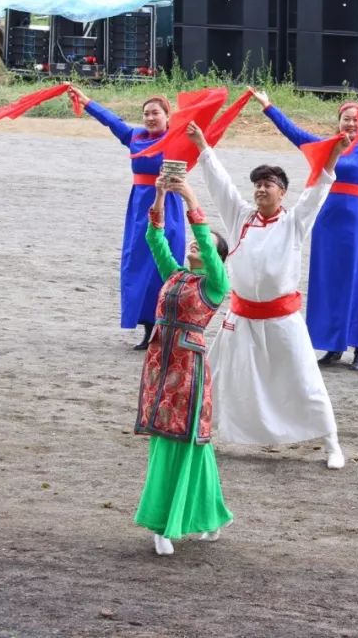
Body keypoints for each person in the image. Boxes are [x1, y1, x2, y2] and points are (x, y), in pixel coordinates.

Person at [192, 121, 347, 469]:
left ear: (282, 193)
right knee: (218, 374)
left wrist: (333, 156)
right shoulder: (240, 218)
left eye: (269, 185)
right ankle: (199, 433)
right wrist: (203, 145)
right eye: (258, 185)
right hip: (241, 318)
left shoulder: (295, 222)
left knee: (305, 379)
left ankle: (332, 443)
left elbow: (317, 191)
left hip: (283, 319)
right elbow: (220, 186)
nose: (261, 190)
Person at [249, 87, 358, 371]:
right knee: (327, 282)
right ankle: (333, 346)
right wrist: (269, 107)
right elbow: (294, 133)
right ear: (338, 122)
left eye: (356, 119)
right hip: (327, 223)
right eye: (346, 119)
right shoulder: (326, 146)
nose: (351, 123)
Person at [133, 171, 233, 556]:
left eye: (202, 245)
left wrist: (192, 199)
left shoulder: (215, 285)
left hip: (188, 370)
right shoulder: (176, 275)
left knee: (186, 440)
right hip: (162, 364)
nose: (194, 245)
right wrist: (160, 197)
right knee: (172, 438)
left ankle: (165, 522)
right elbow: (154, 238)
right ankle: (210, 515)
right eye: (191, 243)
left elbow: (208, 247)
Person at [66, 86, 184, 350]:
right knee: (137, 265)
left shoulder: (177, 138)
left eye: (156, 113)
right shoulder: (135, 137)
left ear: (167, 116)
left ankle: (166, 329)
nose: (150, 118)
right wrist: (87, 103)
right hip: (140, 208)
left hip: (169, 206)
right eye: (146, 114)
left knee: (165, 265)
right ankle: (147, 328)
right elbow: (112, 121)